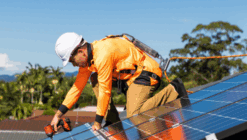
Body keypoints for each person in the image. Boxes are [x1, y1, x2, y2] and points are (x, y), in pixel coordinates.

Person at [51, 32, 188, 132]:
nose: (74, 65)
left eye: (72, 60)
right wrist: (58, 115)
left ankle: (174, 89)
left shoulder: (103, 54)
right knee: (94, 79)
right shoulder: (88, 61)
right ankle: (113, 123)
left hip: (146, 73)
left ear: (81, 52)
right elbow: (77, 88)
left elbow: (105, 90)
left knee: (135, 114)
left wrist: (98, 122)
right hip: (129, 79)